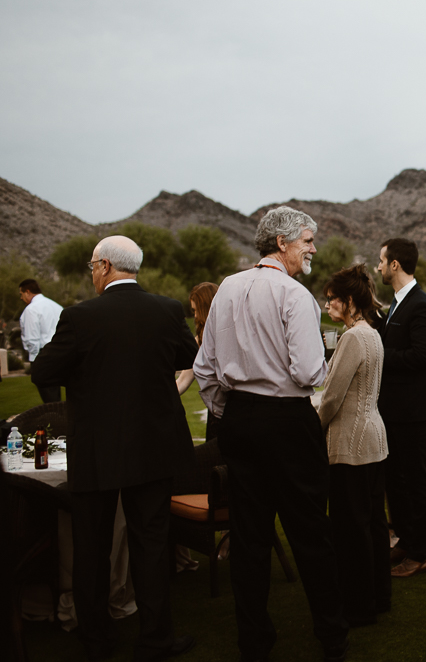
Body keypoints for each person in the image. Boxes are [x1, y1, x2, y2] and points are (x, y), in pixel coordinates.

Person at [31, 236, 197, 661]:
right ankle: (157, 639)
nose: (91, 273)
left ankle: (98, 639)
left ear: (104, 266)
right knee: (153, 545)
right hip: (153, 449)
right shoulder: (167, 309)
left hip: (97, 451)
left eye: (91, 266)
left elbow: (44, 370)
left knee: (92, 547)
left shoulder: (80, 317)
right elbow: (188, 354)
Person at [194, 207, 348, 662]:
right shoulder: (294, 294)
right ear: (281, 243)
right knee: (310, 533)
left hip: (240, 421)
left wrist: (235, 410)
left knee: (248, 537)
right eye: (306, 240)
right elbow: (306, 371)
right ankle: (333, 637)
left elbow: (205, 369)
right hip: (287, 423)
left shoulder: (226, 289)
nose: (313, 248)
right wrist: (321, 370)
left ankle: (254, 642)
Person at [318, 264, 391, 627]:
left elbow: (331, 398)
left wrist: (312, 427)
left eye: (332, 299)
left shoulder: (351, 338)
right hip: (374, 439)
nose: (327, 305)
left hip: (351, 444)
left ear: (349, 301)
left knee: (351, 527)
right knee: (374, 522)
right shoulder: (372, 333)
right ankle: (378, 597)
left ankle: (359, 605)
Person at [376, 238, 426, 578]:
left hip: (413, 411)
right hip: (393, 410)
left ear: (395, 264)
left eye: (382, 261)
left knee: (415, 481)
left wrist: (379, 354)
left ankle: (420, 553)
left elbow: (422, 356)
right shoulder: (396, 303)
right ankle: (404, 539)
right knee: (395, 480)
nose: (379, 267)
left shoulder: (422, 304)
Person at [176, 283, 220, 441]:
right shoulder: (199, 342)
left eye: (195, 311)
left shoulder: (228, 336)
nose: (194, 316)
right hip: (215, 414)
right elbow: (182, 382)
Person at [18, 278, 63, 403]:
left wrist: (35, 362)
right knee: (56, 395)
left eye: (21, 294)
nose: (21, 298)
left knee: (49, 399)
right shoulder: (56, 306)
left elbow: (32, 340)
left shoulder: (31, 310)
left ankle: (56, 421)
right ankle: (61, 420)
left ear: (27, 292)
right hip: (60, 353)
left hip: (43, 355)